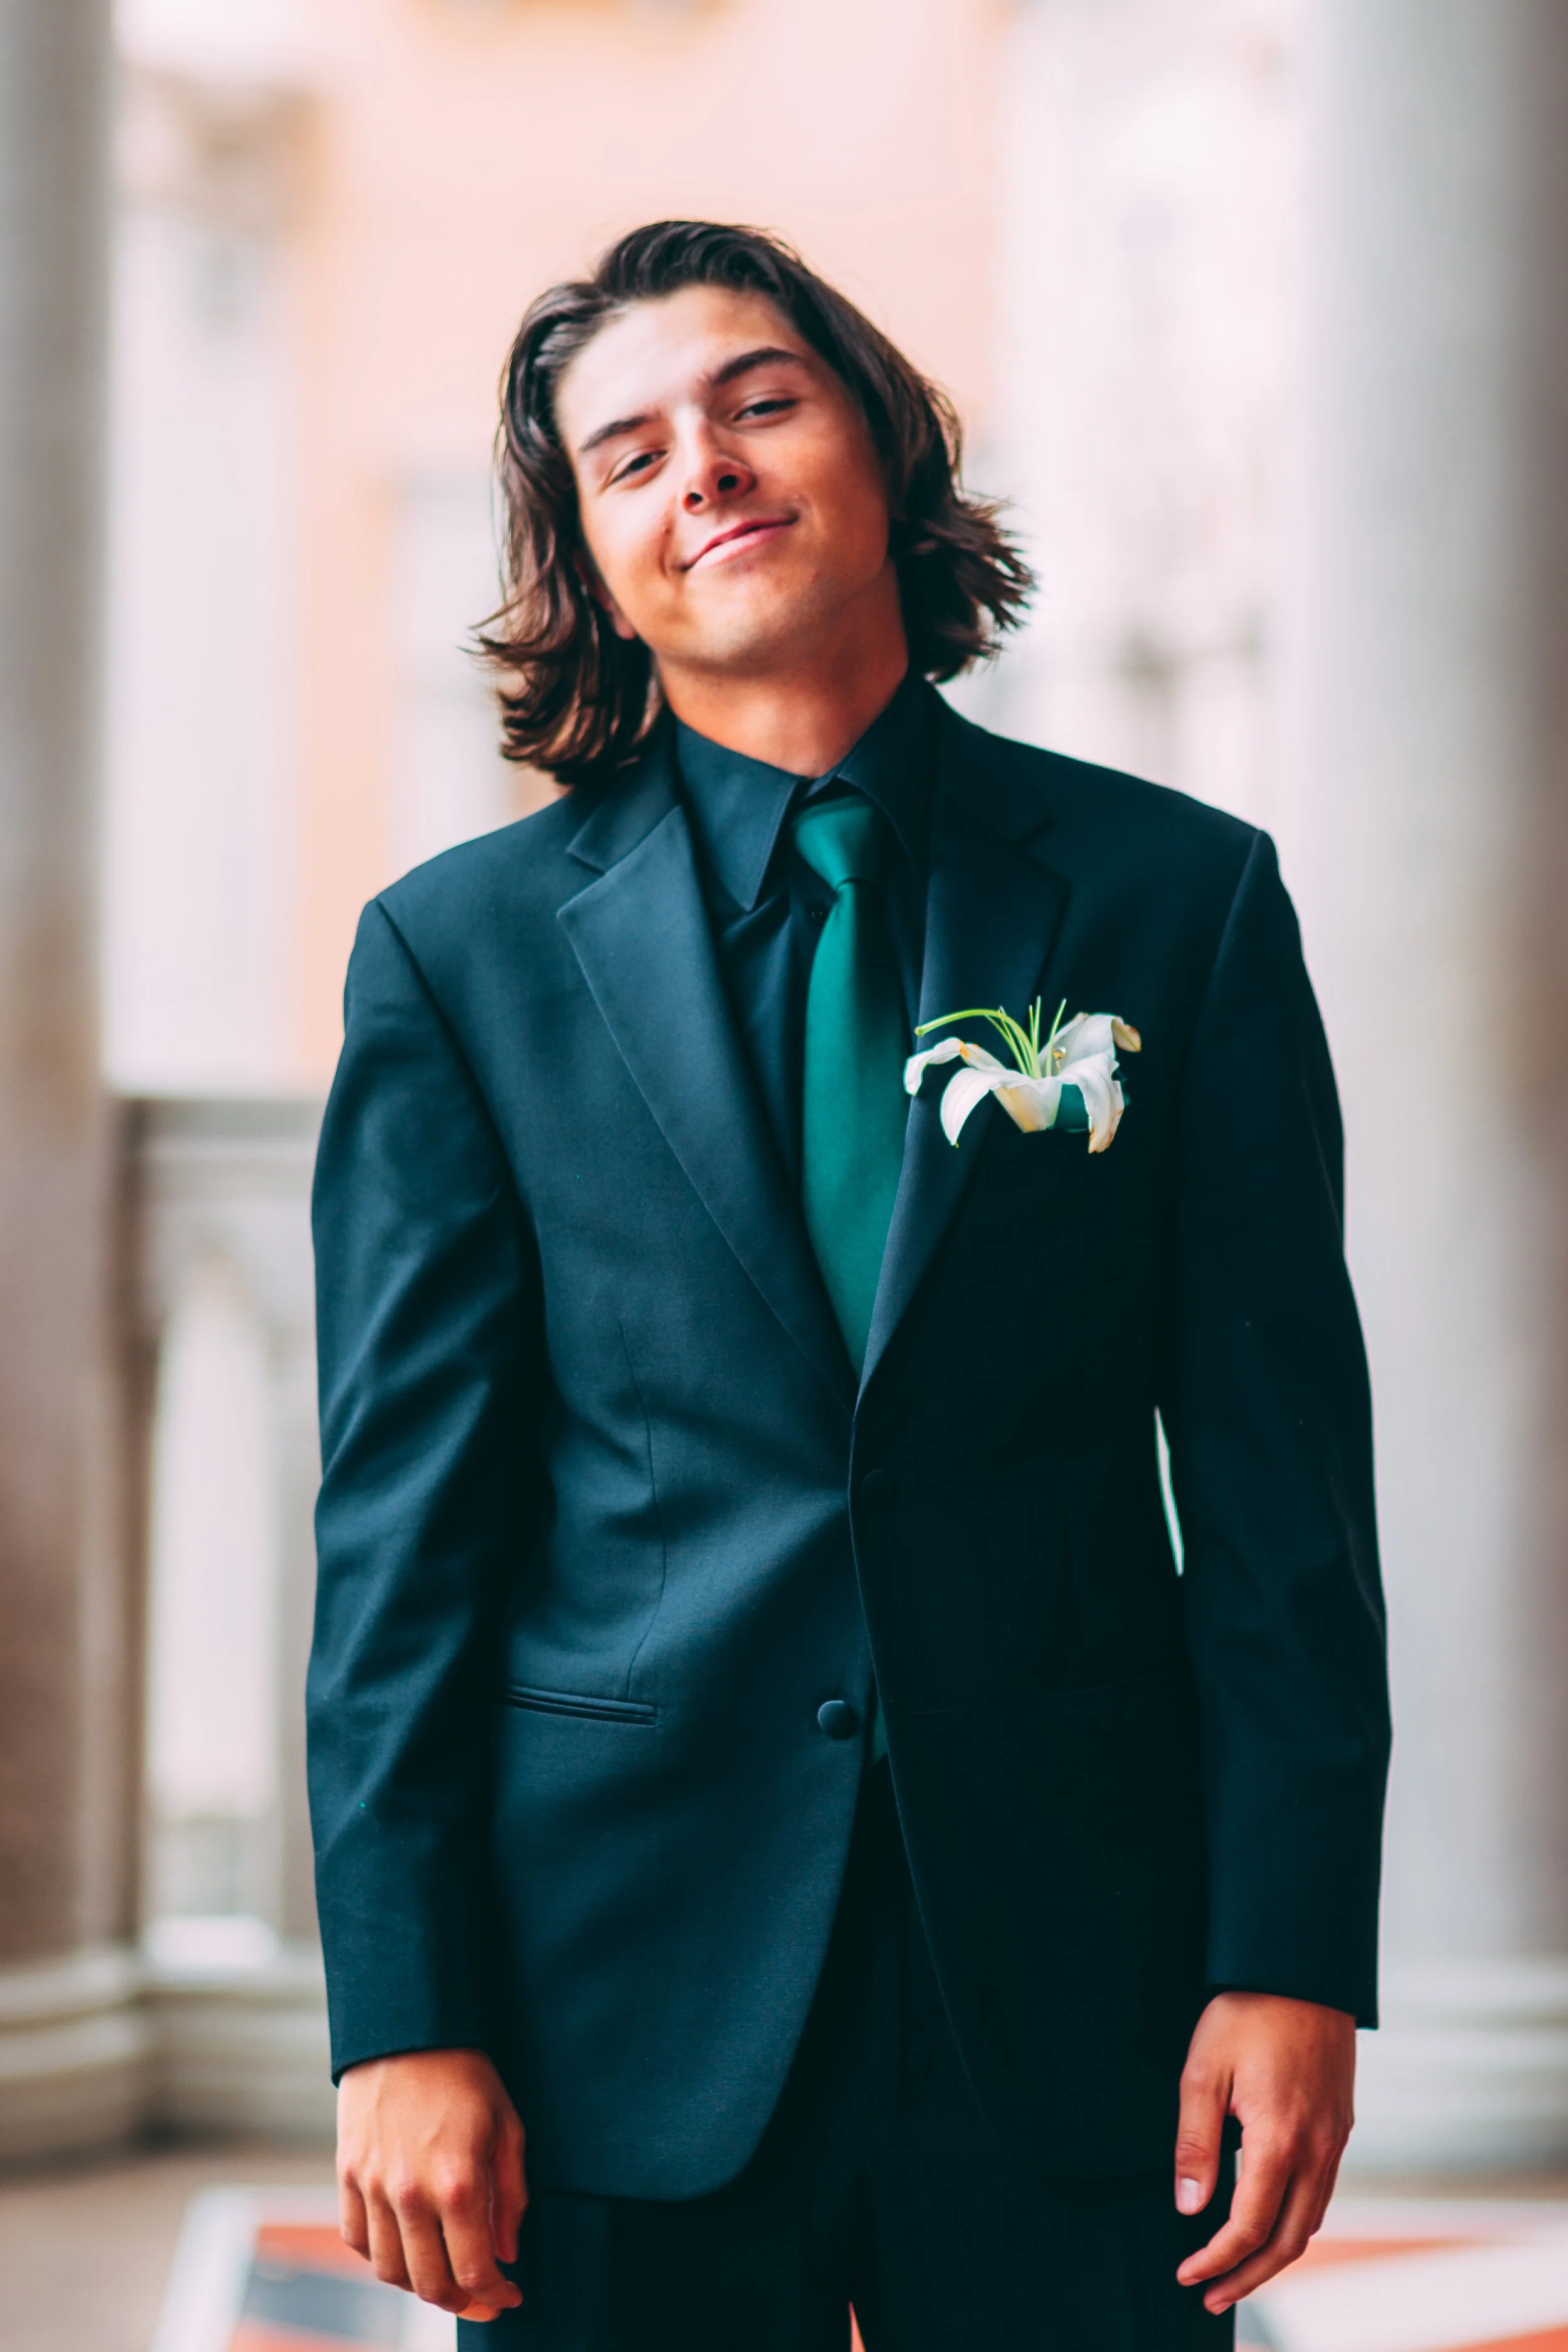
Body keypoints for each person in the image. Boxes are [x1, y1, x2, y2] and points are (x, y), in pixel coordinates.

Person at [306, 221, 1389, 2351]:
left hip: (1085, 1977)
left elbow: (1284, 1499)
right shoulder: (460, 957)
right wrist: (399, 2012)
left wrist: (1294, 1952)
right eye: (626, 453)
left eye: (758, 402)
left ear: (886, 446)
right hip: (608, 1992)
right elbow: (397, 1540)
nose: (699, 464)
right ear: (594, 558)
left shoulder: (1180, 903)